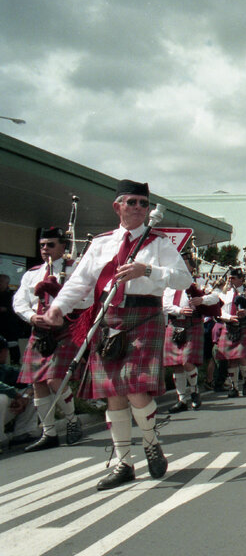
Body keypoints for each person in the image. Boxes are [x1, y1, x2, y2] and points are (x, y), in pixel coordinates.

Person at [39, 179, 192, 489]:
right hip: (108, 317)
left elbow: (182, 279)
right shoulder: (102, 242)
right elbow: (80, 282)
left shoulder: (159, 243)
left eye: (143, 203)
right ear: (117, 206)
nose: (138, 207)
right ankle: (124, 462)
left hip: (144, 315)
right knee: (114, 394)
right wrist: (57, 308)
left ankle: (150, 443)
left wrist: (147, 271)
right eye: (132, 201)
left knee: (135, 388)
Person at [13, 226, 92, 451]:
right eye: (42, 245)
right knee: (38, 384)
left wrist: (61, 299)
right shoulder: (32, 273)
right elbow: (19, 301)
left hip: (64, 330)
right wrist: (32, 317)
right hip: (39, 331)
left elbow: (87, 300)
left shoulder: (75, 270)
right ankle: (49, 433)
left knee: (55, 380)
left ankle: (72, 421)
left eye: (50, 245)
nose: (45, 249)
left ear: (63, 246)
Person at [163, 252, 219, 413]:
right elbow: (164, 304)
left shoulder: (199, 283)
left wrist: (202, 300)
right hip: (175, 323)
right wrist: (179, 309)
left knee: (186, 361)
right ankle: (182, 400)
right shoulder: (169, 284)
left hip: (193, 323)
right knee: (176, 365)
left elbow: (215, 298)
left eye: (184, 262)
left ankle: (194, 391)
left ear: (190, 266)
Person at [216, 268, 246, 398]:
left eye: (233, 278)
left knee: (242, 356)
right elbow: (219, 310)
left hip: (245, 325)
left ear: (241, 279)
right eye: (230, 278)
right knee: (231, 358)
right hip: (229, 325)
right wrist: (228, 317)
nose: (230, 280)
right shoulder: (223, 293)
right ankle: (234, 387)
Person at [0, 336, 39, 452]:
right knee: (1, 398)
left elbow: (29, 379)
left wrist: (25, 397)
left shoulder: (4, 369)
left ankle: (23, 433)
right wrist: (17, 396)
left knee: (35, 392)